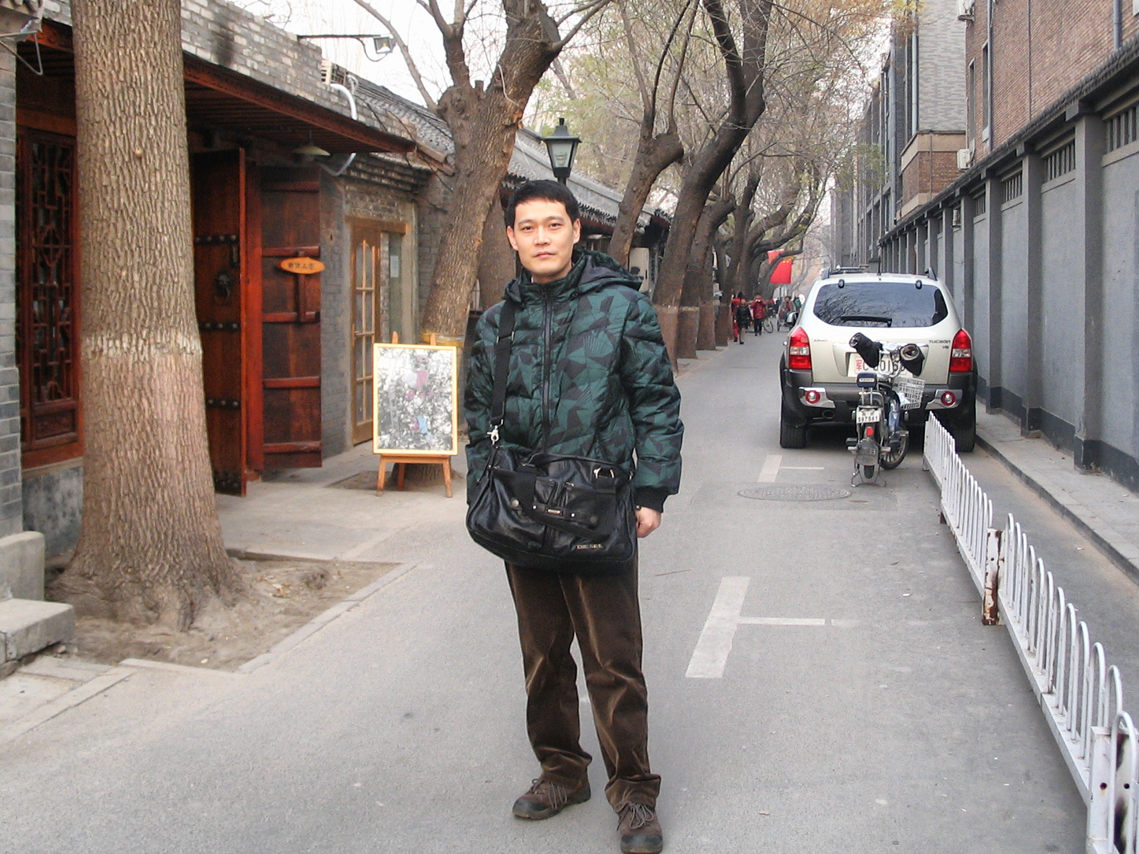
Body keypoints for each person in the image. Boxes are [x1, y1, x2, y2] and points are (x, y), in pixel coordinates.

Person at [465, 180, 683, 854]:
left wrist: (652, 492)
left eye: (552, 225)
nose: (541, 238)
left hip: (597, 507)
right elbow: (477, 417)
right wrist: (482, 490)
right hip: (521, 508)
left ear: (575, 229)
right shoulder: (496, 322)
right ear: (511, 237)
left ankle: (634, 792)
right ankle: (561, 770)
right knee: (542, 657)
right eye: (527, 227)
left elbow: (655, 402)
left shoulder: (620, 306)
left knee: (612, 660)